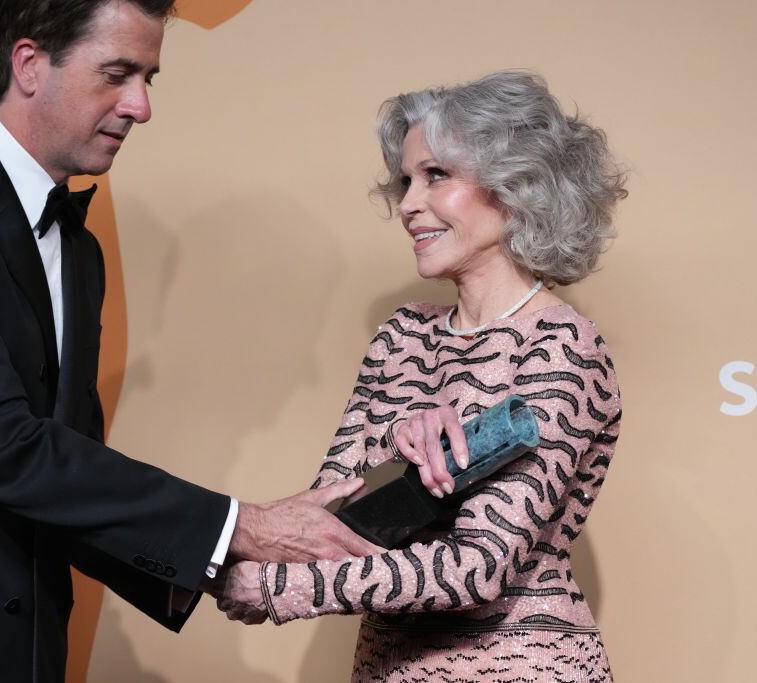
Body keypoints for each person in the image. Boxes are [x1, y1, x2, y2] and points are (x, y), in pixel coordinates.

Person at [0, 1, 379, 681]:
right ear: (29, 64)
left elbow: (71, 465)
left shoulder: (79, 251)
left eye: (148, 77)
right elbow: (4, 447)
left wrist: (218, 570)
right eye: (118, 74)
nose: (140, 106)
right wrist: (242, 528)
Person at [216, 71, 627, 682]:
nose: (408, 203)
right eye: (406, 180)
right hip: (388, 667)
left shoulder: (562, 345)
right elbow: (334, 518)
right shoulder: (403, 334)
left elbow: (477, 567)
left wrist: (278, 588)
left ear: (516, 186)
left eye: (437, 175)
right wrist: (397, 440)